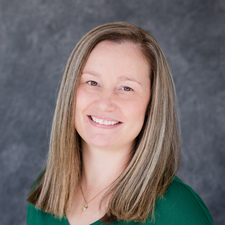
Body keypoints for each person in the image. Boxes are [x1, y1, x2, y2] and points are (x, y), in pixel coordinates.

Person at [27, 22, 214, 225]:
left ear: (152, 104)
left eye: (126, 88)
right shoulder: (46, 189)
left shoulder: (179, 211)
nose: (105, 103)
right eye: (92, 82)